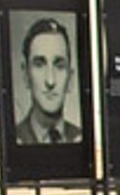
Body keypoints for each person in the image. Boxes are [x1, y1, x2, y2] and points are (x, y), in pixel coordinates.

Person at [14, 16, 82, 146]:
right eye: (39, 64)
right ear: (26, 75)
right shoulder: (15, 138)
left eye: (59, 66)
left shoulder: (80, 138)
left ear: (71, 78)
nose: (50, 81)